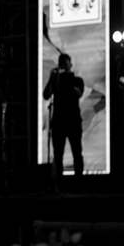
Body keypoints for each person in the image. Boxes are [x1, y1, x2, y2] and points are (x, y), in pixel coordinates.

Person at [43, 53, 84, 188]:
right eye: (61, 64)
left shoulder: (77, 80)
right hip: (58, 122)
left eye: (65, 64)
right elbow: (46, 95)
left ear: (70, 64)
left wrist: (68, 83)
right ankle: (59, 185)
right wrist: (52, 79)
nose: (63, 67)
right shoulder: (56, 82)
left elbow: (78, 93)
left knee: (77, 153)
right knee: (58, 155)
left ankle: (79, 184)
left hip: (73, 121)